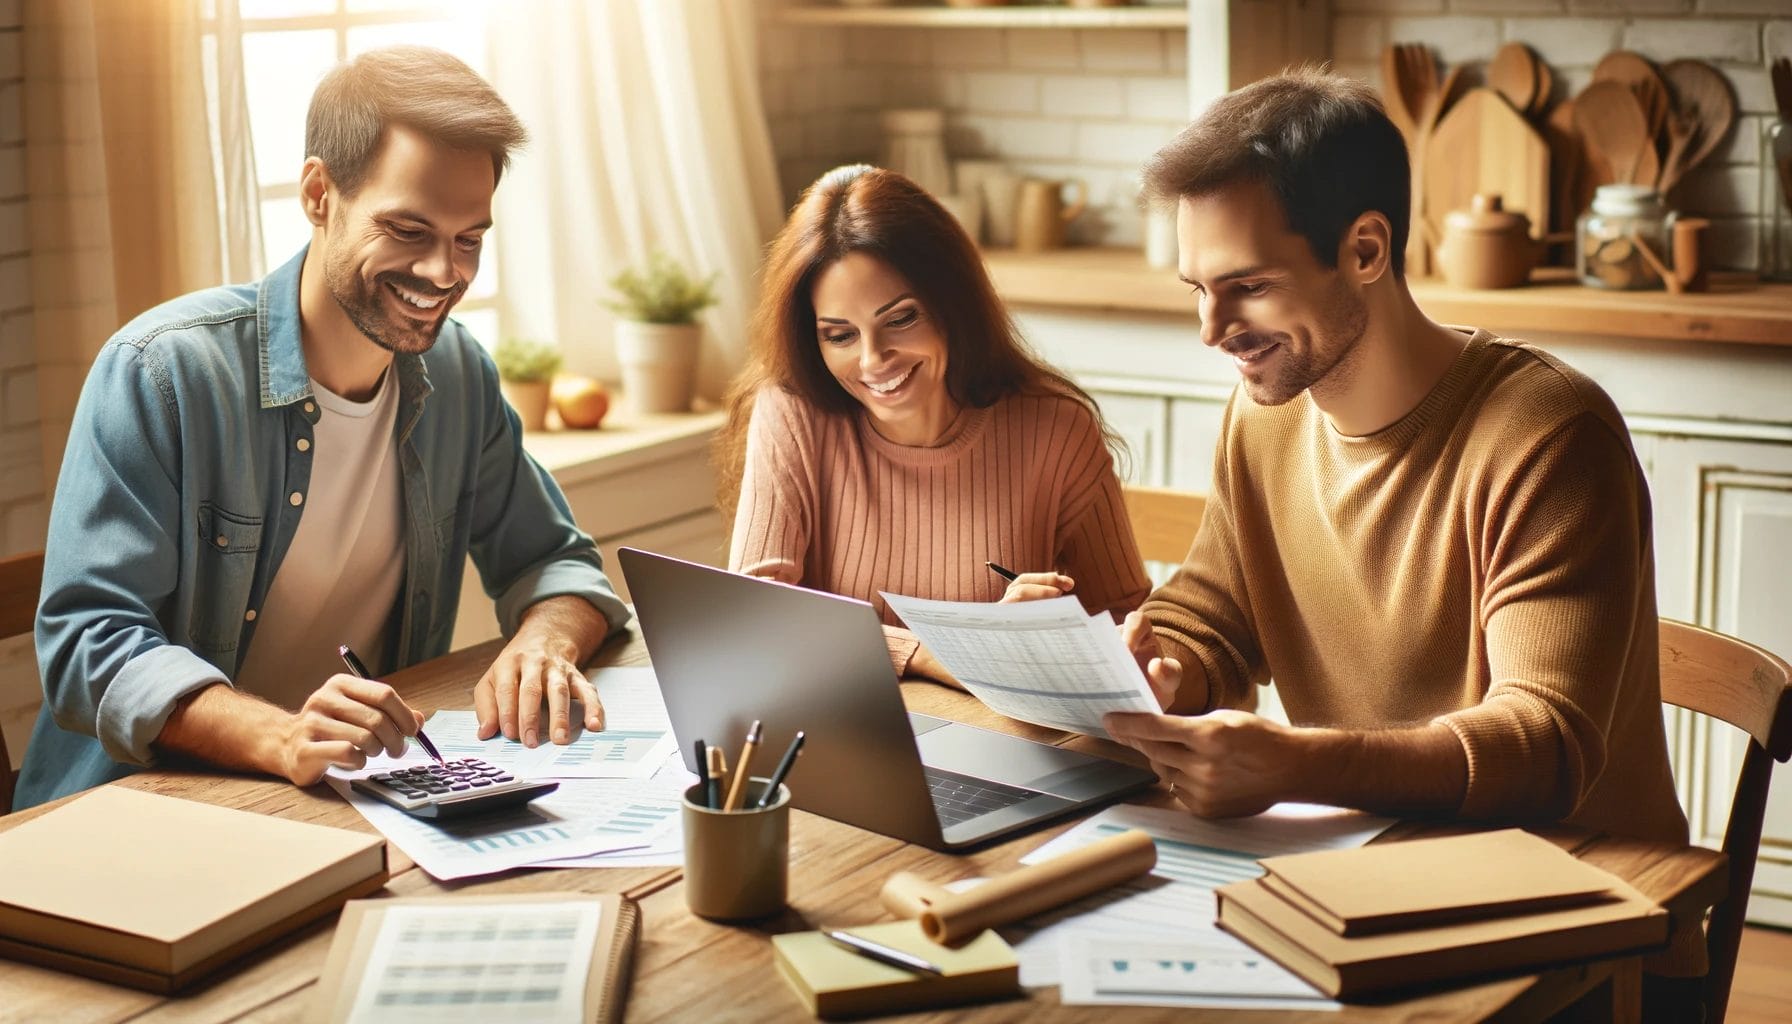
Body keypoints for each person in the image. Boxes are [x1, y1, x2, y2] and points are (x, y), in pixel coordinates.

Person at [1098, 68, 1701, 986]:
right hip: (1368, 883)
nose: (1212, 328)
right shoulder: (1266, 409)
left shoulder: (1548, 434)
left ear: (1367, 250)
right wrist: (1159, 669)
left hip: (1589, 938)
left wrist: (1296, 764)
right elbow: (1215, 617)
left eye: (1247, 286)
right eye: (1197, 288)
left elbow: (1544, 748)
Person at [16, 47, 627, 810]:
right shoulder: (163, 373)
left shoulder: (460, 376)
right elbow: (87, 644)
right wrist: (281, 737)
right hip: (144, 809)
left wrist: (545, 641)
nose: (445, 272)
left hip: (355, 804)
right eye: (408, 229)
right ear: (318, 194)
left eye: (469, 237)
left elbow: (555, 561)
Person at [717, 165, 1150, 682]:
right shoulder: (793, 412)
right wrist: (942, 653)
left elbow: (1126, 628)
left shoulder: (1055, 430)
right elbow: (757, 616)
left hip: (1002, 742)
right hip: (846, 734)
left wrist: (1049, 637)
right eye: (840, 336)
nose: (874, 360)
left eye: (900, 319)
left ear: (953, 306)